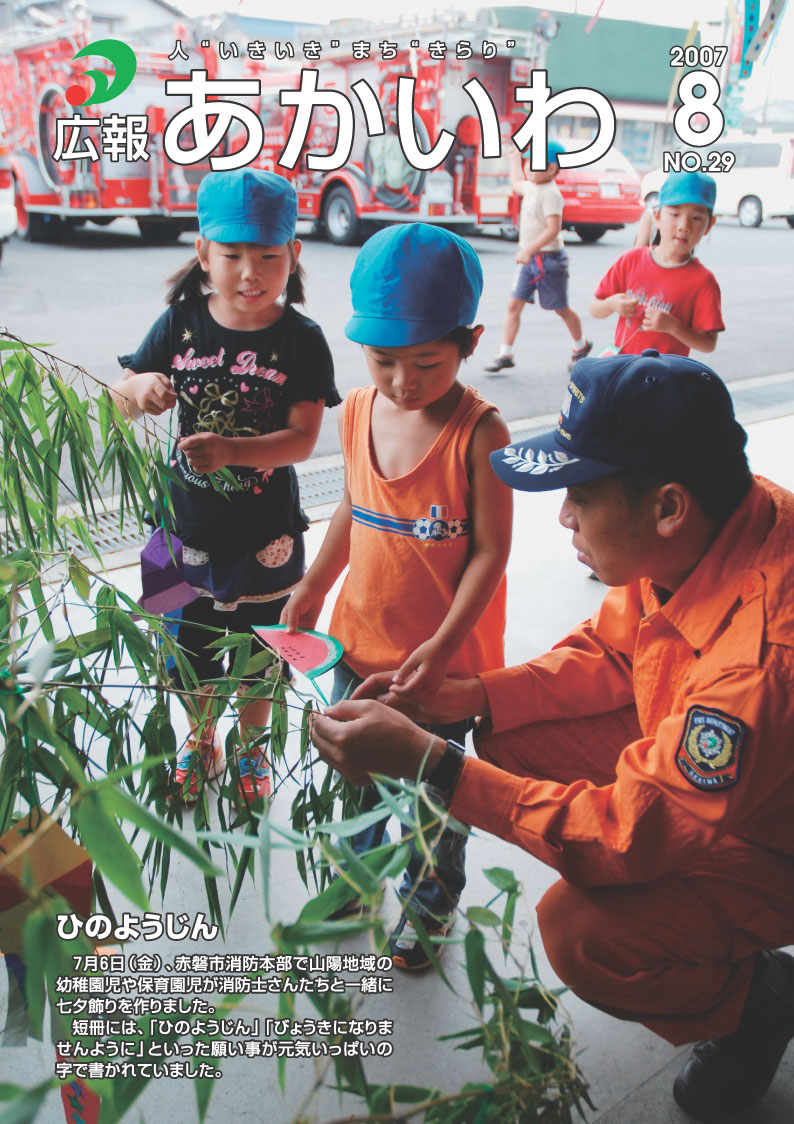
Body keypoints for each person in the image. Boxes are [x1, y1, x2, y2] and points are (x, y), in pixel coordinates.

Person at [310, 348, 794, 1121]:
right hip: (736, 773)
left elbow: (631, 836)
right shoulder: (718, 517)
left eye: (581, 494)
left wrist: (433, 765)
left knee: (580, 931)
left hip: (775, 839)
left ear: (667, 506)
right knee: (505, 730)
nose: (563, 516)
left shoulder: (760, 666)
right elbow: (612, 649)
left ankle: (757, 1000)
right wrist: (472, 694)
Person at [282, 223, 512, 970]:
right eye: (384, 361)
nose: (404, 383)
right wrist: (315, 583)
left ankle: (428, 904)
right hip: (357, 646)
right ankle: (354, 879)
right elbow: (353, 505)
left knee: (436, 802)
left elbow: (491, 549)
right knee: (354, 775)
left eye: (426, 362)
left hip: (441, 670)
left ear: (470, 342)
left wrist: (443, 647)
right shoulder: (356, 411)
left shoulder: (480, 432)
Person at [112, 169, 339, 804]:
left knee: (261, 658)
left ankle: (251, 749)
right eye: (233, 254)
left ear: (293, 256)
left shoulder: (302, 338)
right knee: (191, 653)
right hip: (183, 530)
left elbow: (301, 440)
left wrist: (230, 452)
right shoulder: (179, 323)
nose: (250, 272)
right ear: (203, 253)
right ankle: (201, 737)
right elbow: (119, 402)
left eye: (268, 255)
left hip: (265, 535)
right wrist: (139, 390)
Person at [485, 140, 592, 375]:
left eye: (535, 165)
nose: (529, 168)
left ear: (552, 168)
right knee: (514, 305)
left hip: (549, 261)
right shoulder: (532, 187)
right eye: (528, 163)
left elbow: (553, 229)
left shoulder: (551, 194)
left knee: (561, 308)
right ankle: (505, 353)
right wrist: (514, 159)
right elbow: (515, 182)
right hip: (530, 261)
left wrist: (528, 249)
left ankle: (580, 346)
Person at [591, 170, 723, 356]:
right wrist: (611, 304)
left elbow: (708, 343)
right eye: (675, 214)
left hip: (665, 379)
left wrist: (673, 327)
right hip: (622, 370)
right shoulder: (631, 260)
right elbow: (594, 308)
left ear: (709, 225)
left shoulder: (703, 281)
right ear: (658, 217)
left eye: (696, 218)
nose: (684, 225)